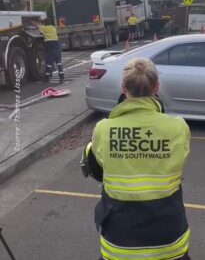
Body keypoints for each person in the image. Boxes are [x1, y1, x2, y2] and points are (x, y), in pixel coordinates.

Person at [81, 57, 191, 260]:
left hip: (120, 243)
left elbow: (99, 168)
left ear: (124, 88)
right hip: (169, 241)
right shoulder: (178, 127)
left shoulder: (103, 129)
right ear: (156, 87)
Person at [33, 18, 64, 83]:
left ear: (44, 24)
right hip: (58, 48)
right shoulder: (53, 27)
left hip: (51, 49)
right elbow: (42, 25)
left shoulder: (44, 28)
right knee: (59, 63)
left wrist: (31, 21)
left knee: (49, 64)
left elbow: (37, 26)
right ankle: (62, 77)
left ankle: (47, 78)